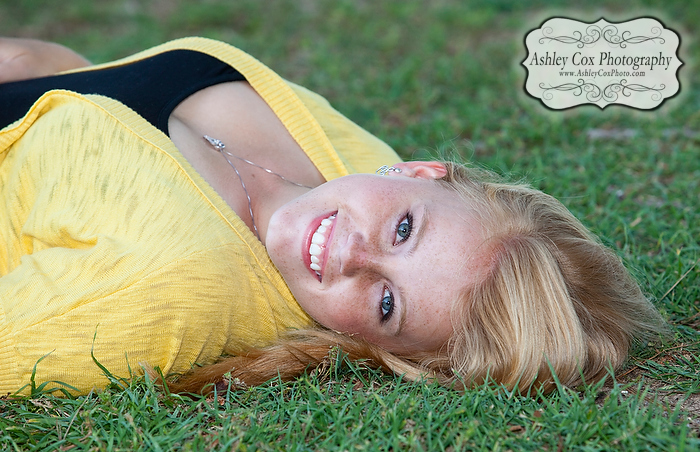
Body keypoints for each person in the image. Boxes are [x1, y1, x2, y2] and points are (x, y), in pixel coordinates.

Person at [0, 37, 664, 396]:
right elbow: (82, 87)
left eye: (384, 305)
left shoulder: (165, 287)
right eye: (405, 229)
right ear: (422, 170)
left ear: (379, 348)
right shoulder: (351, 156)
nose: (354, 256)